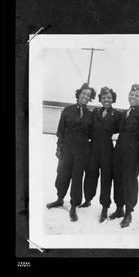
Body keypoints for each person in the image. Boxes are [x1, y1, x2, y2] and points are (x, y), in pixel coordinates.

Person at [46, 83, 96, 222]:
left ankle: (74, 205)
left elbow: (92, 133)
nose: (85, 96)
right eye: (84, 93)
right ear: (79, 94)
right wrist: (58, 148)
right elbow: (60, 131)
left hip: (82, 149)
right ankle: (60, 198)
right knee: (63, 173)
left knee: (77, 176)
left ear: (90, 98)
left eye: (88, 95)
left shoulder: (90, 115)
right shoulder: (67, 110)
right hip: (67, 146)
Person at [110, 84, 139, 228]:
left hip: (132, 153)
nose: (133, 97)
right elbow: (114, 128)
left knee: (129, 183)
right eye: (131, 94)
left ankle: (128, 213)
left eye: (137, 96)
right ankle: (119, 208)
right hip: (118, 151)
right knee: (118, 180)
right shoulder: (123, 113)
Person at [79, 86, 121, 223]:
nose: (106, 100)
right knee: (90, 174)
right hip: (93, 147)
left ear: (113, 99)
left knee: (106, 178)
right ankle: (88, 199)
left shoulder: (117, 115)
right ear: (100, 99)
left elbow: (118, 130)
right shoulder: (95, 112)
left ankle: (104, 207)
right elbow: (88, 127)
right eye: (103, 98)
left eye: (109, 97)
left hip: (107, 148)